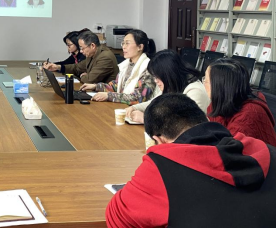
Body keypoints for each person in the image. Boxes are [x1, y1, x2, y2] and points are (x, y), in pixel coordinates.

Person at [106, 94, 276, 228]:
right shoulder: (266, 151)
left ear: (159, 140)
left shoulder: (162, 168)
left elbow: (117, 218)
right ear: (203, 118)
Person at [125, 49, 210, 124]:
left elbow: (186, 125)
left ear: (168, 74)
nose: (155, 81)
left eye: (157, 77)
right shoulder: (172, 84)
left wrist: (145, 119)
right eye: (154, 77)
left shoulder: (195, 91)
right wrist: (134, 107)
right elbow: (155, 102)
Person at [205, 58, 276, 147]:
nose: (204, 83)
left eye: (206, 81)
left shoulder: (248, 116)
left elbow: (228, 150)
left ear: (219, 87)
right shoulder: (220, 102)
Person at [80, 29, 156, 105]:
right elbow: (116, 85)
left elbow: (138, 98)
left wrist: (109, 96)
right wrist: (95, 86)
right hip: (123, 107)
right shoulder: (127, 64)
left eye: (127, 43)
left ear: (140, 47)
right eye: (123, 43)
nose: (124, 47)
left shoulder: (148, 68)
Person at [44, 30, 119, 84]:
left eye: (82, 48)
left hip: (104, 95)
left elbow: (89, 80)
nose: (81, 51)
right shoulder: (92, 53)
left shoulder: (105, 57)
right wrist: (58, 67)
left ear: (92, 46)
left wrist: (82, 76)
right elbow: (77, 67)